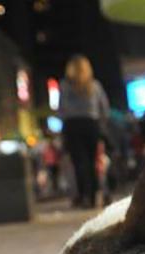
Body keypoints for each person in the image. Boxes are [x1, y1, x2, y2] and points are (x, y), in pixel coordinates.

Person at [60, 55, 110, 209]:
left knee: (78, 162)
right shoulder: (95, 86)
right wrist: (102, 125)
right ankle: (95, 194)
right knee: (93, 161)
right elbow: (105, 109)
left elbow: (61, 109)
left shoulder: (65, 86)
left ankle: (83, 196)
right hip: (91, 124)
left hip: (72, 125)